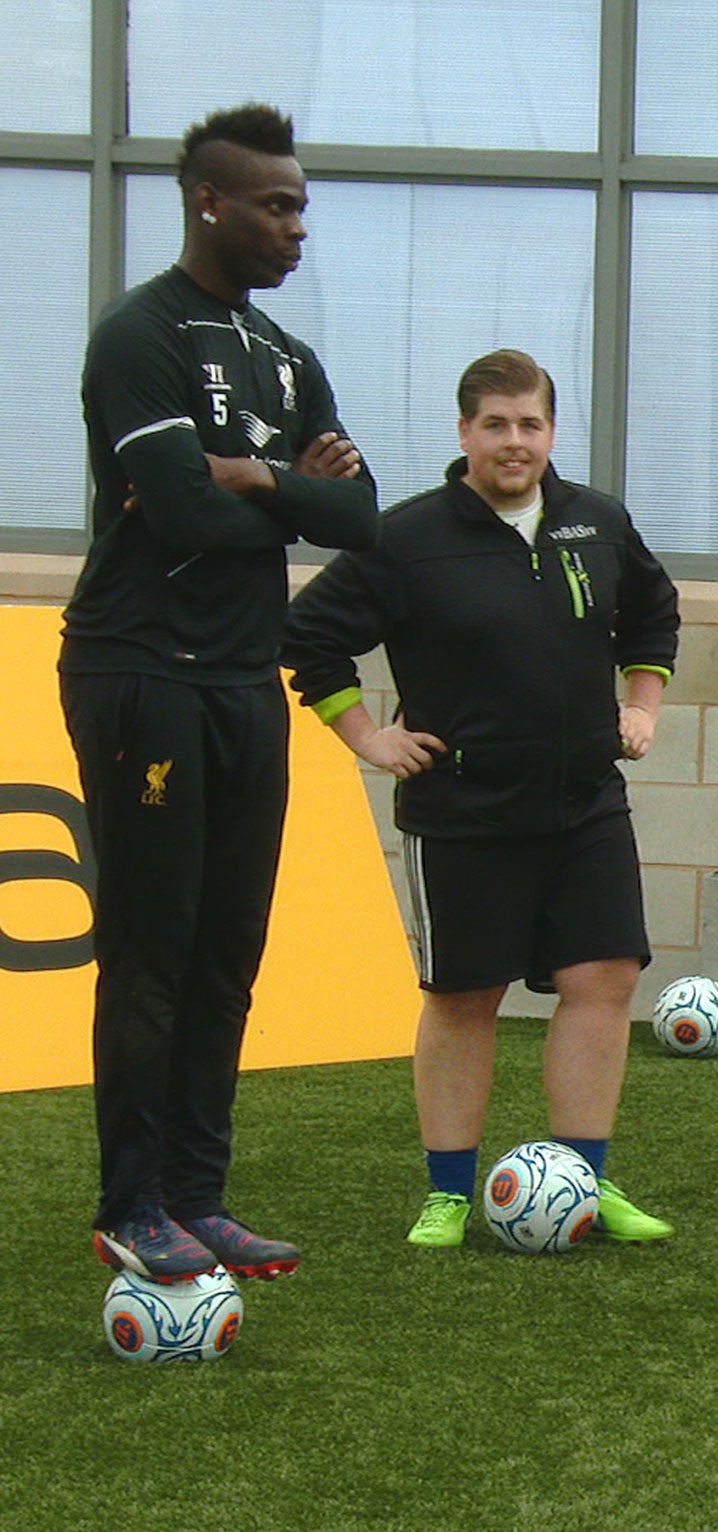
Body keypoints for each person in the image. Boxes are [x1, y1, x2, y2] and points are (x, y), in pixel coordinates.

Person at [61, 103, 378, 1283]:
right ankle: (130, 1203)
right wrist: (283, 489)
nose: (299, 225)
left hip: (251, 679)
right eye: (278, 204)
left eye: (301, 203)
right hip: (141, 670)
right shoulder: (137, 335)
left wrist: (250, 476)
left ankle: (199, 1195)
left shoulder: (289, 359)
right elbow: (182, 514)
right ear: (210, 202)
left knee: (229, 952)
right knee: (155, 947)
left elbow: (359, 518)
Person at [280, 348, 681, 1249]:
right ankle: (450, 1194)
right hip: (462, 815)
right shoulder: (407, 538)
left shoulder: (598, 524)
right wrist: (367, 736)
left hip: (585, 805)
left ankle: (585, 1183)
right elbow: (308, 634)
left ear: (550, 431)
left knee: (604, 981)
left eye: (530, 424)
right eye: (495, 425)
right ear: (464, 433)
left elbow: (654, 615)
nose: (514, 442)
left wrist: (640, 705)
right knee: (465, 997)